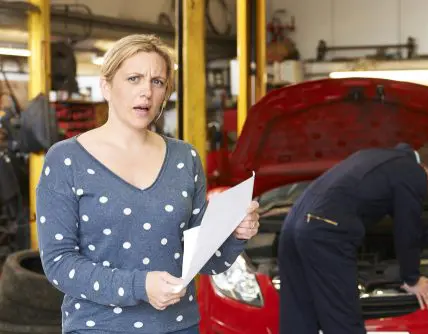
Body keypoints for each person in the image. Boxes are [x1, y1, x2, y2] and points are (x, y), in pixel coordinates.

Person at [35, 34, 260, 334]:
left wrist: (235, 233)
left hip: (178, 325)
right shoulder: (66, 160)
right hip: (98, 327)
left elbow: (202, 259)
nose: (146, 92)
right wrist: (140, 286)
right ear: (106, 86)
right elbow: (59, 263)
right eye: (134, 78)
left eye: (157, 81)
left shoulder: (185, 157)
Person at [278, 141, 428, 334]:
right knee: (342, 316)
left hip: (293, 224)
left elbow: (405, 210)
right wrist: (412, 278)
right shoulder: (415, 174)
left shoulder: (387, 160)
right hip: (326, 232)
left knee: (298, 312)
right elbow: (407, 229)